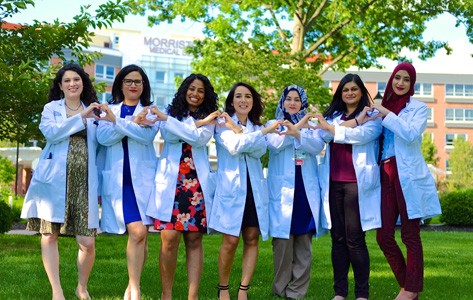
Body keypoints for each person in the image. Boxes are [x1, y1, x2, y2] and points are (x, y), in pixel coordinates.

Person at [20, 63, 102, 300]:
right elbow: (52, 133)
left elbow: (105, 140)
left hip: (83, 182)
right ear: (60, 86)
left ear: (83, 83)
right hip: (54, 180)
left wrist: (113, 121)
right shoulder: (51, 109)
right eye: (67, 80)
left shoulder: (94, 110)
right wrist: (81, 117)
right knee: (49, 234)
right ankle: (57, 291)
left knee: (87, 242)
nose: (72, 84)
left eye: (76, 79)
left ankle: (81, 287)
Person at [145, 73, 219, 300]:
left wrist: (200, 124)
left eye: (200, 91)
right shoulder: (169, 111)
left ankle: (192, 295)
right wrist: (190, 125)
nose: (195, 94)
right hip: (171, 182)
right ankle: (166, 294)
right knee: (169, 239)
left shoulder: (211, 118)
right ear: (184, 89)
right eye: (192, 89)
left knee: (194, 240)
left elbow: (197, 139)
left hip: (196, 184)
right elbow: (168, 134)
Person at [372, 62, 441, 300]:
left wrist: (386, 113)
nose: (400, 83)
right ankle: (409, 286)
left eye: (406, 80)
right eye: (397, 78)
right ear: (391, 79)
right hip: (384, 172)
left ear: (412, 84)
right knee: (383, 236)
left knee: (410, 234)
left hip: (406, 174)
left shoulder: (418, 108)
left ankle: (410, 289)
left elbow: (411, 135)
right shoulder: (381, 108)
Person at [209, 82, 279, 300]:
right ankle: (223, 288)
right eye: (238, 96)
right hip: (232, 188)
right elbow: (235, 146)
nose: (243, 100)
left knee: (251, 238)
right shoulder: (221, 124)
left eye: (247, 96)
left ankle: (243, 290)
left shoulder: (256, 127)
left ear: (253, 101)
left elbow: (258, 150)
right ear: (231, 101)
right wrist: (261, 133)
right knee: (230, 240)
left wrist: (242, 133)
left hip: (254, 188)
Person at [316, 73, 382, 300]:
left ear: (362, 92)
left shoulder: (373, 116)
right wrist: (352, 122)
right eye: (345, 90)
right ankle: (340, 292)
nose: (350, 93)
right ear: (340, 93)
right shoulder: (333, 116)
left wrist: (338, 128)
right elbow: (323, 134)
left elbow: (360, 137)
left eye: (354, 89)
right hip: (334, 183)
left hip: (357, 185)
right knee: (338, 239)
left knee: (355, 239)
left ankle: (362, 294)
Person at [96, 64, 158, 300]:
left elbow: (146, 137)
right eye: (129, 81)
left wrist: (119, 122)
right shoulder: (107, 109)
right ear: (120, 85)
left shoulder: (151, 111)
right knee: (138, 231)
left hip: (142, 179)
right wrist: (131, 123)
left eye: (138, 82)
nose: (134, 85)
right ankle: (134, 287)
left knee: (140, 235)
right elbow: (103, 137)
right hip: (119, 181)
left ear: (144, 86)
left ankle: (133, 287)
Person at [266, 85, 325, 299]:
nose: (292, 103)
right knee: (282, 245)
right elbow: (276, 143)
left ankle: (296, 291)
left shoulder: (312, 127)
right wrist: (296, 129)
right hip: (282, 192)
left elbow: (316, 146)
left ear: (303, 103)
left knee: (303, 246)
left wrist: (298, 131)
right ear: (282, 102)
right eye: (288, 99)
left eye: (297, 100)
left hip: (304, 191)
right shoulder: (272, 125)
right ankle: (279, 289)